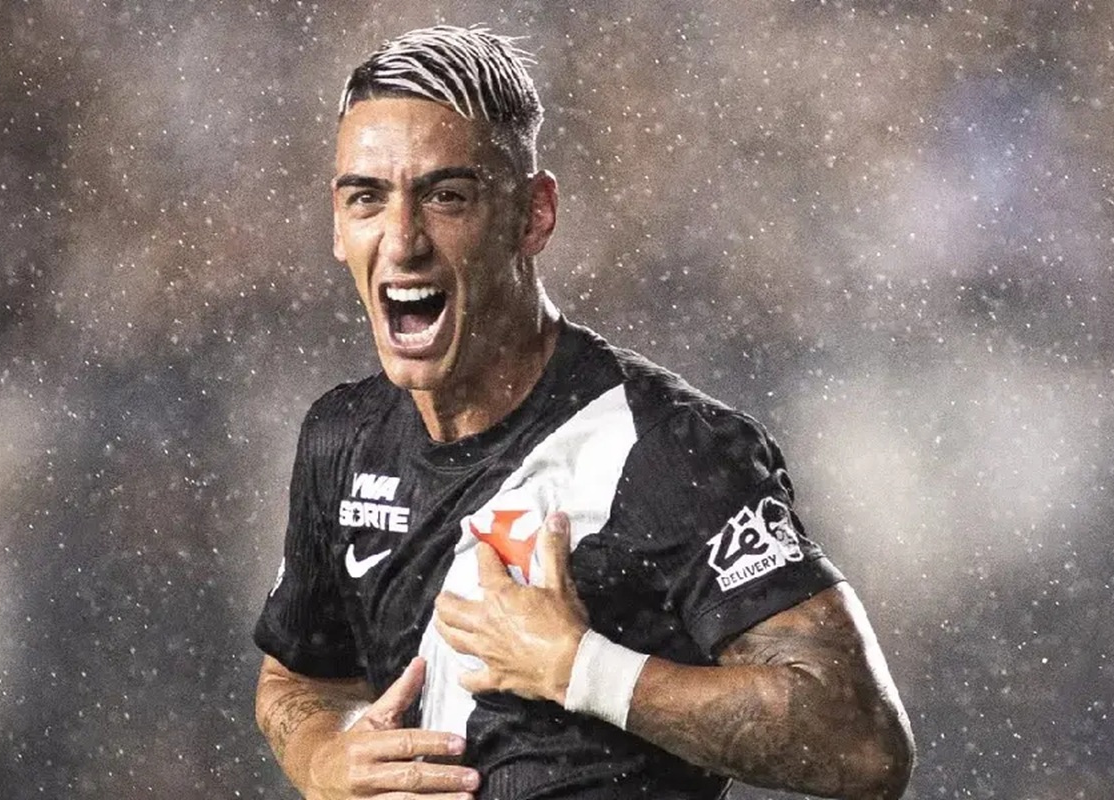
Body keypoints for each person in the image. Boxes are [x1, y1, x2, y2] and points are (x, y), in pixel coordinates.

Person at [253, 24, 914, 800]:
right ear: (338, 226)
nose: (402, 241)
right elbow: (299, 678)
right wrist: (326, 759)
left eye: (446, 196)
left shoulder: (669, 447)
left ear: (533, 215)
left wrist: (583, 669)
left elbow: (862, 744)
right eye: (367, 198)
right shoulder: (343, 440)